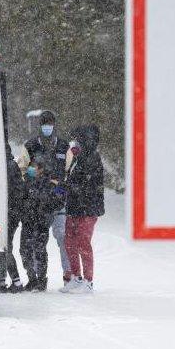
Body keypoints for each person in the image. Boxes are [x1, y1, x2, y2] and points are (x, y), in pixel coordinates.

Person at [21, 111, 72, 286]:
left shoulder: (64, 146)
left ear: (54, 124)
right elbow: (22, 170)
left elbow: (69, 174)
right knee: (36, 243)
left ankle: (69, 276)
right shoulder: (30, 145)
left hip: (57, 203)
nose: (47, 126)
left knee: (63, 238)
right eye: (44, 123)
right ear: (40, 125)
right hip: (37, 204)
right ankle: (37, 279)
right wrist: (34, 176)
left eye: (50, 123)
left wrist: (57, 186)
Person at [60, 124, 105, 294]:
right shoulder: (77, 158)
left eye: (78, 140)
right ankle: (76, 277)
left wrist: (69, 187)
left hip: (88, 208)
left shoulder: (93, 158)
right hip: (74, 207)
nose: (75, 144)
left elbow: (87, 185)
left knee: (83, 243)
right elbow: (71, 179)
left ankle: (88, 281)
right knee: (69, 241)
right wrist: (63, 188)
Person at [19, 156, 66, 292]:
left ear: (41, 169)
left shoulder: (51, 182)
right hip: (28, 221)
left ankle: (41, 280)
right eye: (31, 166)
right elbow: (21, 198)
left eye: (35, 167)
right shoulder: (27, 181)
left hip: (41, 222)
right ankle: (31, 279)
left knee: (39, 250)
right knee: (24, 250)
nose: (32, 169)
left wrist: (47, 205)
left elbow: (60, 199)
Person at [1, 142, 28, 292]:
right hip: (12, 213)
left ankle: (16, 282)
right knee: (5, 247)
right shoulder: (11, 165)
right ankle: (6, 281)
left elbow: (14, 192)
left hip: (8, 213)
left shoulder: (7, 166)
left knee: (5, 247)